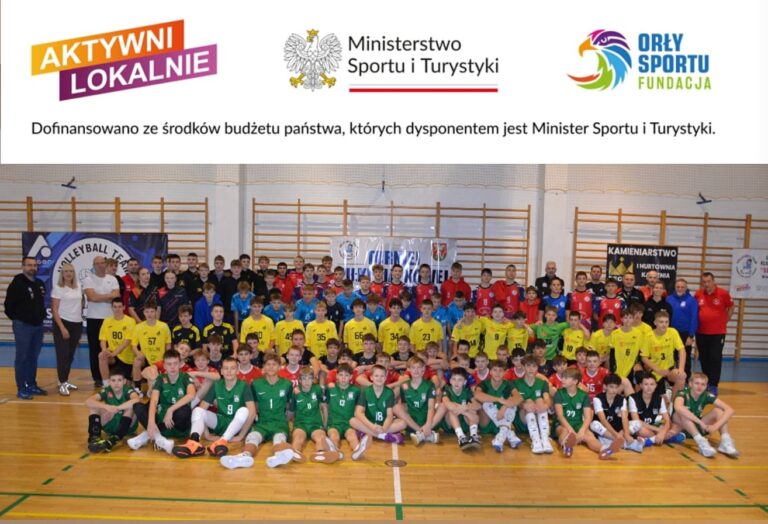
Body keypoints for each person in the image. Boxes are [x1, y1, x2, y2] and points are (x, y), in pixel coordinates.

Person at [219, 353, 295, 469]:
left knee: (279, 439)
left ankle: (278, 456)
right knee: (253, 437)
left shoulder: (287, 384)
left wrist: (285, 420)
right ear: (263, 367)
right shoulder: (256, 383)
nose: (271, 367)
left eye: (274, 364)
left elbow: (290, 406)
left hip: (279, 423)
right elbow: (254, 405)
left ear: (280, 367)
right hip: (262, 423)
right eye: (268, 364)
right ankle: (245, 456)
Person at [172, 357, 256, 459]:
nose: (229, 371)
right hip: (221, 422)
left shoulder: (244, 385)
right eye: (226, 368)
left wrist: (240, 436)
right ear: (222, 371)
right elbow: (202, 407)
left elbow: (252, 413)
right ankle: (194, 443)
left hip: (238, 426)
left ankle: (222, 441)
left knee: (244, 410)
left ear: (237, 371)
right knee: (198, 410)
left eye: (232, 368)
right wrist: (207, 434)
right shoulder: (217, 385)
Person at [128, 349, 195, 454]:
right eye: (169, 364)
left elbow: (191, 394)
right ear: (164, 366)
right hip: (162, 420)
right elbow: (154, 400)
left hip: (179, 425)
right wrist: (151, 422)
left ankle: (145, 436)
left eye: (175, 363)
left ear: (180, 364)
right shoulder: (161, 378)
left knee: (185, 410)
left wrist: (170, 410)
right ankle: (160, 439)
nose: (172, 367)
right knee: (138, 406)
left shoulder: (185, 377)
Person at [4, 257, 47, 399]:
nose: (32, 268)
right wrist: (19, 319)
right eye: (29, 265)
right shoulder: (17, 283)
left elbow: (40, 304)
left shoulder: (39, 284)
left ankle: (32, 384)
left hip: (37, 326)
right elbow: (8, 306)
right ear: (23, 266)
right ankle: (21, 388)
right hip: (23, 326)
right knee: (22, 357)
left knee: (33, 357)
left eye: (34, 265)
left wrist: (38, 318)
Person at [553, 368, 620, 459]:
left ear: (575, 381)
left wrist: (582, 431)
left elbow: (588, 417)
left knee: (589, 436)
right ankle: (567, 447)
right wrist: (571, 430)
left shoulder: (583, 395)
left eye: (566, 378)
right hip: (562, 424)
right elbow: (560, 416)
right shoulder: (559, 394)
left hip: (578, 423)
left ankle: (604, 449)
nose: (562, 380)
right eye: (562, 377)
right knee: (564, 432)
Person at [669, 373, 738, 458]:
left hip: (697, 427)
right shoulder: (683, 393)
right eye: (697, 383)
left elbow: (730, 409)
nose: (699, 387)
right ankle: (701, 443)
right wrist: (700, 423)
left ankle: (725, 441)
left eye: (703, 384)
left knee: (718, 411)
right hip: (681, 428)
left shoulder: (706, 395)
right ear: (690, 384)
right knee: (682, 413)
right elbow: (678, 407)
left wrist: (715, 426)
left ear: (706, 386)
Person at [288, 367, 341, 464]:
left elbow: (324, 408)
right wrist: (288, 426)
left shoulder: (317, 389)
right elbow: (291, 412)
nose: (307, 381)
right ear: (300, 380)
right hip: (300, 424)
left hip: (315, 424)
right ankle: (295, 452)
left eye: (309, 378)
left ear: (313, 379)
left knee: (321, 438)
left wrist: (325, 424)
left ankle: (320, 453)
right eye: (304, 378)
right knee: (298, 438)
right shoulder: (296, 392)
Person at [83, 256, 120, 388]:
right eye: (97, 263)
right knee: (95, 348)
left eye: (102, 263)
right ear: (94, 265)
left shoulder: (112, 279)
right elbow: (91, 297)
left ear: (105, 264)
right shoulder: (88, 279)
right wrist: (108, 296)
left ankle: (112, 375)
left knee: (112, 347)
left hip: (110, 319)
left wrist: (98, 297)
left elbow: (116, 296)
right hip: (94, 318)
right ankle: (97, 378)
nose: (100, 265)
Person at [695, 272, 734, 395]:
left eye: (709, 281)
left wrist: (725, 320)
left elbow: (731, 307)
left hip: (718, 333)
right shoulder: (698, 294)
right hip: (701, 332)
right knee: (704, 358)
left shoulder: (723, 293)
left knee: (715, 358)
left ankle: (713, 385)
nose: (706, 284)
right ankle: (706, 382)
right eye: (704, 282)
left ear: (713, 281)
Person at [85, 369, 141, 452]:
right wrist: (106, 406)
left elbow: (136, 399)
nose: (116, 383)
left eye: (119, 380)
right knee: (94, 407)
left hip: (127, 427)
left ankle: (115, 438)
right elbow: (88, 401)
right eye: (113, 380)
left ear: (124, 381)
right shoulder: (107, 390)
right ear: (109, 382)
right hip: (111, 424)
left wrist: (118, 408)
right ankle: (94, 437)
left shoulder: (128, 390)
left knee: (131, 407)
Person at [349, 365, 406, 447]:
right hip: (370, 423)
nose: (379, 378)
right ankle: (384, 436)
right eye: (376, 376)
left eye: (382, 376)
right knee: (352, 421)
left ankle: (368, 433)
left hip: (384, 424)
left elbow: (389, 415)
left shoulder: (389, 392)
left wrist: (384, 428)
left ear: (385, 378)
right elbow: (358, 413)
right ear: (371, 377)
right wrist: (372, 427)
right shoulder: (365, 391)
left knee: (403, 423)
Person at [474, 359, 522, 452]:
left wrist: (504, 407)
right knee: (486, 402)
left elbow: (519, 398)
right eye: (495, 370)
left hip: (502, 417)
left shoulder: (508, 384)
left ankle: (502, 434)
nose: (497, 373)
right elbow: (477, 395)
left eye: (500, 370)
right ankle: (507, 432)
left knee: (512, 403)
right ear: (490, 372)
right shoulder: (484, 384)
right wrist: (498, 399)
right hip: (486, 422)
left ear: (505, 372)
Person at [394, 356, 445, 445]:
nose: (416, 370)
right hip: (412, 422)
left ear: (423, 369)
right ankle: (423, 433)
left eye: (419, 368)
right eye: (413, 367)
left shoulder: (430, 385)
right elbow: (405, 406)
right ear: (409, 369)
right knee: (396, 407)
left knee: (443, 406)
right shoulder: (404, 386)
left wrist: (428, 424)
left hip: (428, 419)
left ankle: (423, 432)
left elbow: (431, 407)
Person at [590, 374, 645, 453]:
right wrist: (616, 435)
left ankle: (608, 442)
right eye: (611, 387)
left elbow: (624, 419)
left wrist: (626, 434)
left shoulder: (622, 400)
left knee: (637, 423)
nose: (614, 390)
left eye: (616, 387)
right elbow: (603, 420)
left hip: (618, 429)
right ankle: (631, 444)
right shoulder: (598, 399)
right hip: (605, 429)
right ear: (605, 386)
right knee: (594, 424)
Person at [51, 263, 84, 396]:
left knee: (70, 355)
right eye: (66, 271)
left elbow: (80, 304)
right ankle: (62, 382)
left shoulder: (78, 286)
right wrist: (62, 328)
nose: (68, 274)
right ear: (62, 274)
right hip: (63, 323)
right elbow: (54, 310)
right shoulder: (58, 288)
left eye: (71, 271)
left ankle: (64, 380)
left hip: (76, 324)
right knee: (63, 355)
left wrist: (79, 321)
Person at [512, 356, 554, 454]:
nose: (531, 369)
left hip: (539, 419)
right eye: (528, 366)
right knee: (529, 401)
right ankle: (535, 440)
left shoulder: (543, 383)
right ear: (523, 367)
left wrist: (545, 406)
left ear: (537, 368)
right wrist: (524, 405)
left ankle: (544, 439)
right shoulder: (515, 383)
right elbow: (515, 401)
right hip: (522, 420)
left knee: (540, 400)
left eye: (534, 366)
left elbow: (547, 399)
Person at [641, 311, 687, 399]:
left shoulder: (672, 332)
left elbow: (682, 350)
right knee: (658, 400)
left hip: (669, 369)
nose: (664, 325)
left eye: (666, 322)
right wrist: (658, 370)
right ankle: (663, 394)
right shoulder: (648, 336)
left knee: (681, 377)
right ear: (655, 323)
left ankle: (673, 404)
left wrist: (681, 369)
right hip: (655, 370)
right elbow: (644, 358)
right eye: (661, 322)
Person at [325, 364, 367, 460]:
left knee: (352, 436)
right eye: (341, 375)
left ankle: (357, 450)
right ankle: (334, 451)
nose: (343, 378)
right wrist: (325, 423)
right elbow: (325, 406)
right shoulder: (330, 388)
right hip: (334, 423)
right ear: (336, 376)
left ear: (351, 377)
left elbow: (358, 409)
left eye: (346, 375)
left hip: (349, 423)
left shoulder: (356, 390)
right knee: (334, 436)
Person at [131, 301, 172, 390]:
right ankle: (137, 389)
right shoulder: (138, 327)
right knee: (137, 361)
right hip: (145, 359)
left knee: (155, 387)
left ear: (156, 312)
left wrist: (167, 358)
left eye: (152, 311)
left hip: (160, 359)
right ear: (144, 312)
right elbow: (134, 345)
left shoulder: (163, 326)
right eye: (147, 311)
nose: (149, 314)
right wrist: (138, 353)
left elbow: (168, 344)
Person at [97, 298, 137, 387]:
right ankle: (106, 386)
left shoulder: (130, 321)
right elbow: (102, 339)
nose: (117, 309)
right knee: (101, 356)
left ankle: (129, 378)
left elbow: (127, 341)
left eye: (119, 307)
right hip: (113, 356)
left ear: (124, 307)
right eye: (115, 307)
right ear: (111, 308)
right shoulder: (107, 321)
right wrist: (104, 350)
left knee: (125, 386)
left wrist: (114, 353)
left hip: (126, 358)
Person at [440, 367, 481, 450]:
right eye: (454, 379)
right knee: (452, 410)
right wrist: (462, 408)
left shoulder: (467, 391)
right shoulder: (447, 390)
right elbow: (448, 404)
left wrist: (465, 408)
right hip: (449, 425)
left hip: (464, 424)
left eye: (460, 380)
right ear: (450, 381)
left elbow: (478, 406)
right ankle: (461, 437)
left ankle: (474, 436)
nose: (456, 382)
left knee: (472, 410)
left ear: (465, 382)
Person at [666, 278, 698, 378]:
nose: (680, 289)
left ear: (686, 288)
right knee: (671, 355)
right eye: (678, 287)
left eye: (682, 287)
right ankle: (671, 378)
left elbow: (694, 318)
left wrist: (691, 336)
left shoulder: (691, 300)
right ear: (675, 287)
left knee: (686, 356)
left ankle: (686, 377)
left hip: (685, 333)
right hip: (671, 332)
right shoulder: (669, 299)